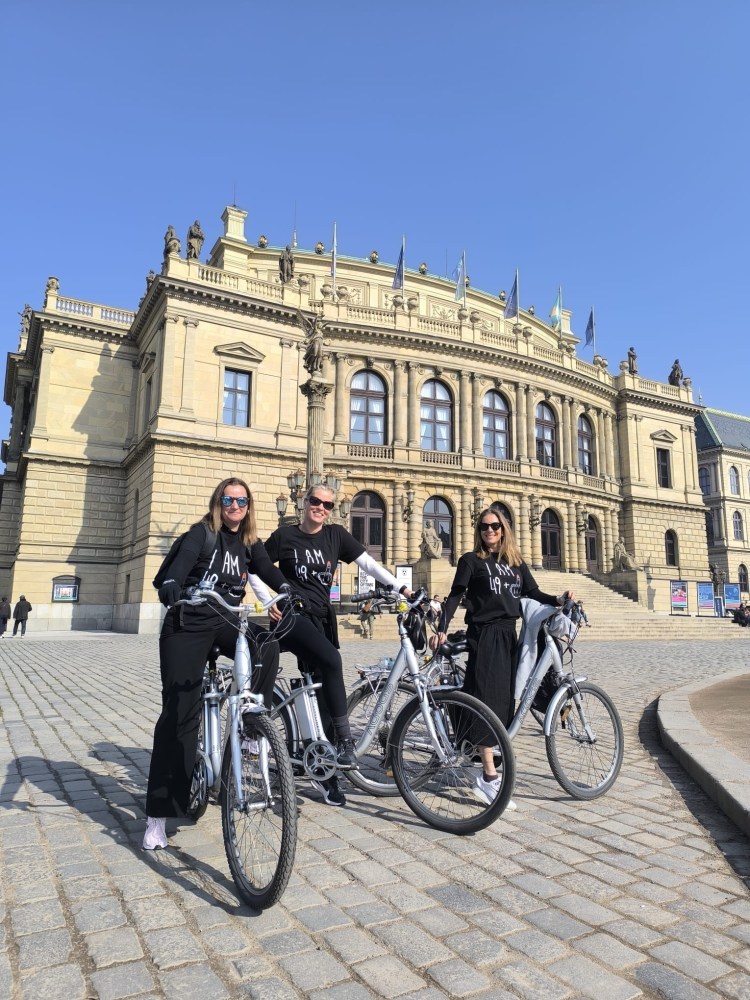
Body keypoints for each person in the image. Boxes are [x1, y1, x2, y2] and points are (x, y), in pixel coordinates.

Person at [143, 477, 291, 851]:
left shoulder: (247, 542)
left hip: (225, 620)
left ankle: (251, 726)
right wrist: (175, 589)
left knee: (267, 646)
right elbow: (172, 575)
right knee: (179, 714)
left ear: (249, 506)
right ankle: (158, 815)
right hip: (187, 623)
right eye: (228, 499)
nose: (235, 506)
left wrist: (289, 590)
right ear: (218, 502)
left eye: (242, 501)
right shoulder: (202, 534)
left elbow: (267, 571)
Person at [264, 484, 413, 807]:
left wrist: (401, 587)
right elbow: (255, 565)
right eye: (315, 501)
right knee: (332, 662)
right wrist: (268, 601)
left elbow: (368, 564)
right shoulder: (284, 537)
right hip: (292, 617)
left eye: (327, 504)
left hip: (322, 620)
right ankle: (346, 743)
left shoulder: (335, 535)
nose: (320, 508)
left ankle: (324, 770)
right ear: (304, 502)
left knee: (323, 696)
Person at [430, 509, 574, 809]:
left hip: (509, 637)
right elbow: (456, 596)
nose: (489, 531)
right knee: (487, 702)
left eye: (495, 526)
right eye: (484, 527)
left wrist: (559, 600)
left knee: (504, 703)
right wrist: (441, 629)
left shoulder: (515, 564)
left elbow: (534, 593)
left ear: (504, 529)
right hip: (484, 635)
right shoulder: (471, 560)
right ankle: (489, 776)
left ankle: (485, 763)